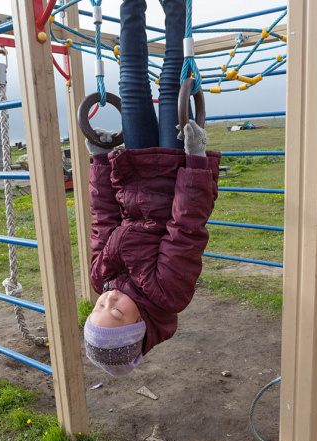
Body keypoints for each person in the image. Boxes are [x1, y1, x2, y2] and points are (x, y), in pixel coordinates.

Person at [81, 0, 221, 376]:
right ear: (140, 323)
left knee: (130, 80)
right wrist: (195, 162)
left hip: (134, 168)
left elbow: (103, 217)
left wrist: (99, 159)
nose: (107, 299)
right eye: (116, 312)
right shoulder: (167, 294)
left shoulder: (101, 277)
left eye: (99, 308)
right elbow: (185, 228)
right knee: (174, 72)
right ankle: (177, 8)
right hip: (177, 172)